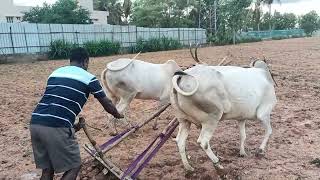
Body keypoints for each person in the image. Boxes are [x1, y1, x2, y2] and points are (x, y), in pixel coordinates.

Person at [30, 47, 123, 180]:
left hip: (36, 123)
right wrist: (118, 114)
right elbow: (107, 104)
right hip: (57, 126)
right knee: (74, 166)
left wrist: (73, 127)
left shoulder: (55, 73)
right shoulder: (89, 78)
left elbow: (56, 105)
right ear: (85, 61)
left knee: (47, 169)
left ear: (71, 60)